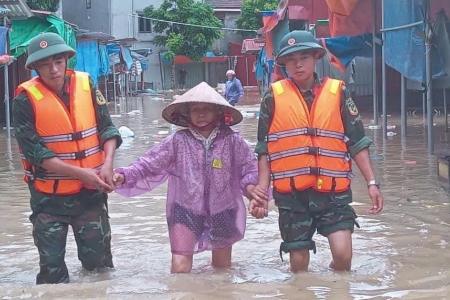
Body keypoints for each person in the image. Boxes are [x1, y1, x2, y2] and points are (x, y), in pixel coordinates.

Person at [249, 30, 384, 273]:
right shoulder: (273, 96)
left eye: (303, 57)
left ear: (315, 57)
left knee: (343, 258)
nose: (298, 64)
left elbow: (357, 142)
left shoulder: (338, 92)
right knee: (299, 266)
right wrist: (261, 191)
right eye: (291, 59)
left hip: (333, 192)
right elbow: (265, 149)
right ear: (284, 63)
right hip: (292, 196)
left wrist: (372, 182)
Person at [112, 82, 261, 273]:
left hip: (224, 209)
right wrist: (123, 175)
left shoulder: (233, 140)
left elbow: (250, 168)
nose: (200, 114)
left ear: (218, 112)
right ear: (187, 113)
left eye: (206, 109)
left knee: (222, 270)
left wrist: (251, 190)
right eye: (195, 109)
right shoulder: (177, 141)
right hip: (184, 209)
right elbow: (148, 164)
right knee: (180, 268)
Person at [12, 32, 122, 284]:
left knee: (100, 271)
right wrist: (82, 173)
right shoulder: (24, 101)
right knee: (52, 275)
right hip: (48, 202)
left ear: (67, 60)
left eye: (58, 61)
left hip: (90, 196)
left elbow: (108, 129)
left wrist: (107, 165)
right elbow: (36, 153)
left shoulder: (87, 85)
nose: (53, 69)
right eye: (45, 64)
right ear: (35, 67)